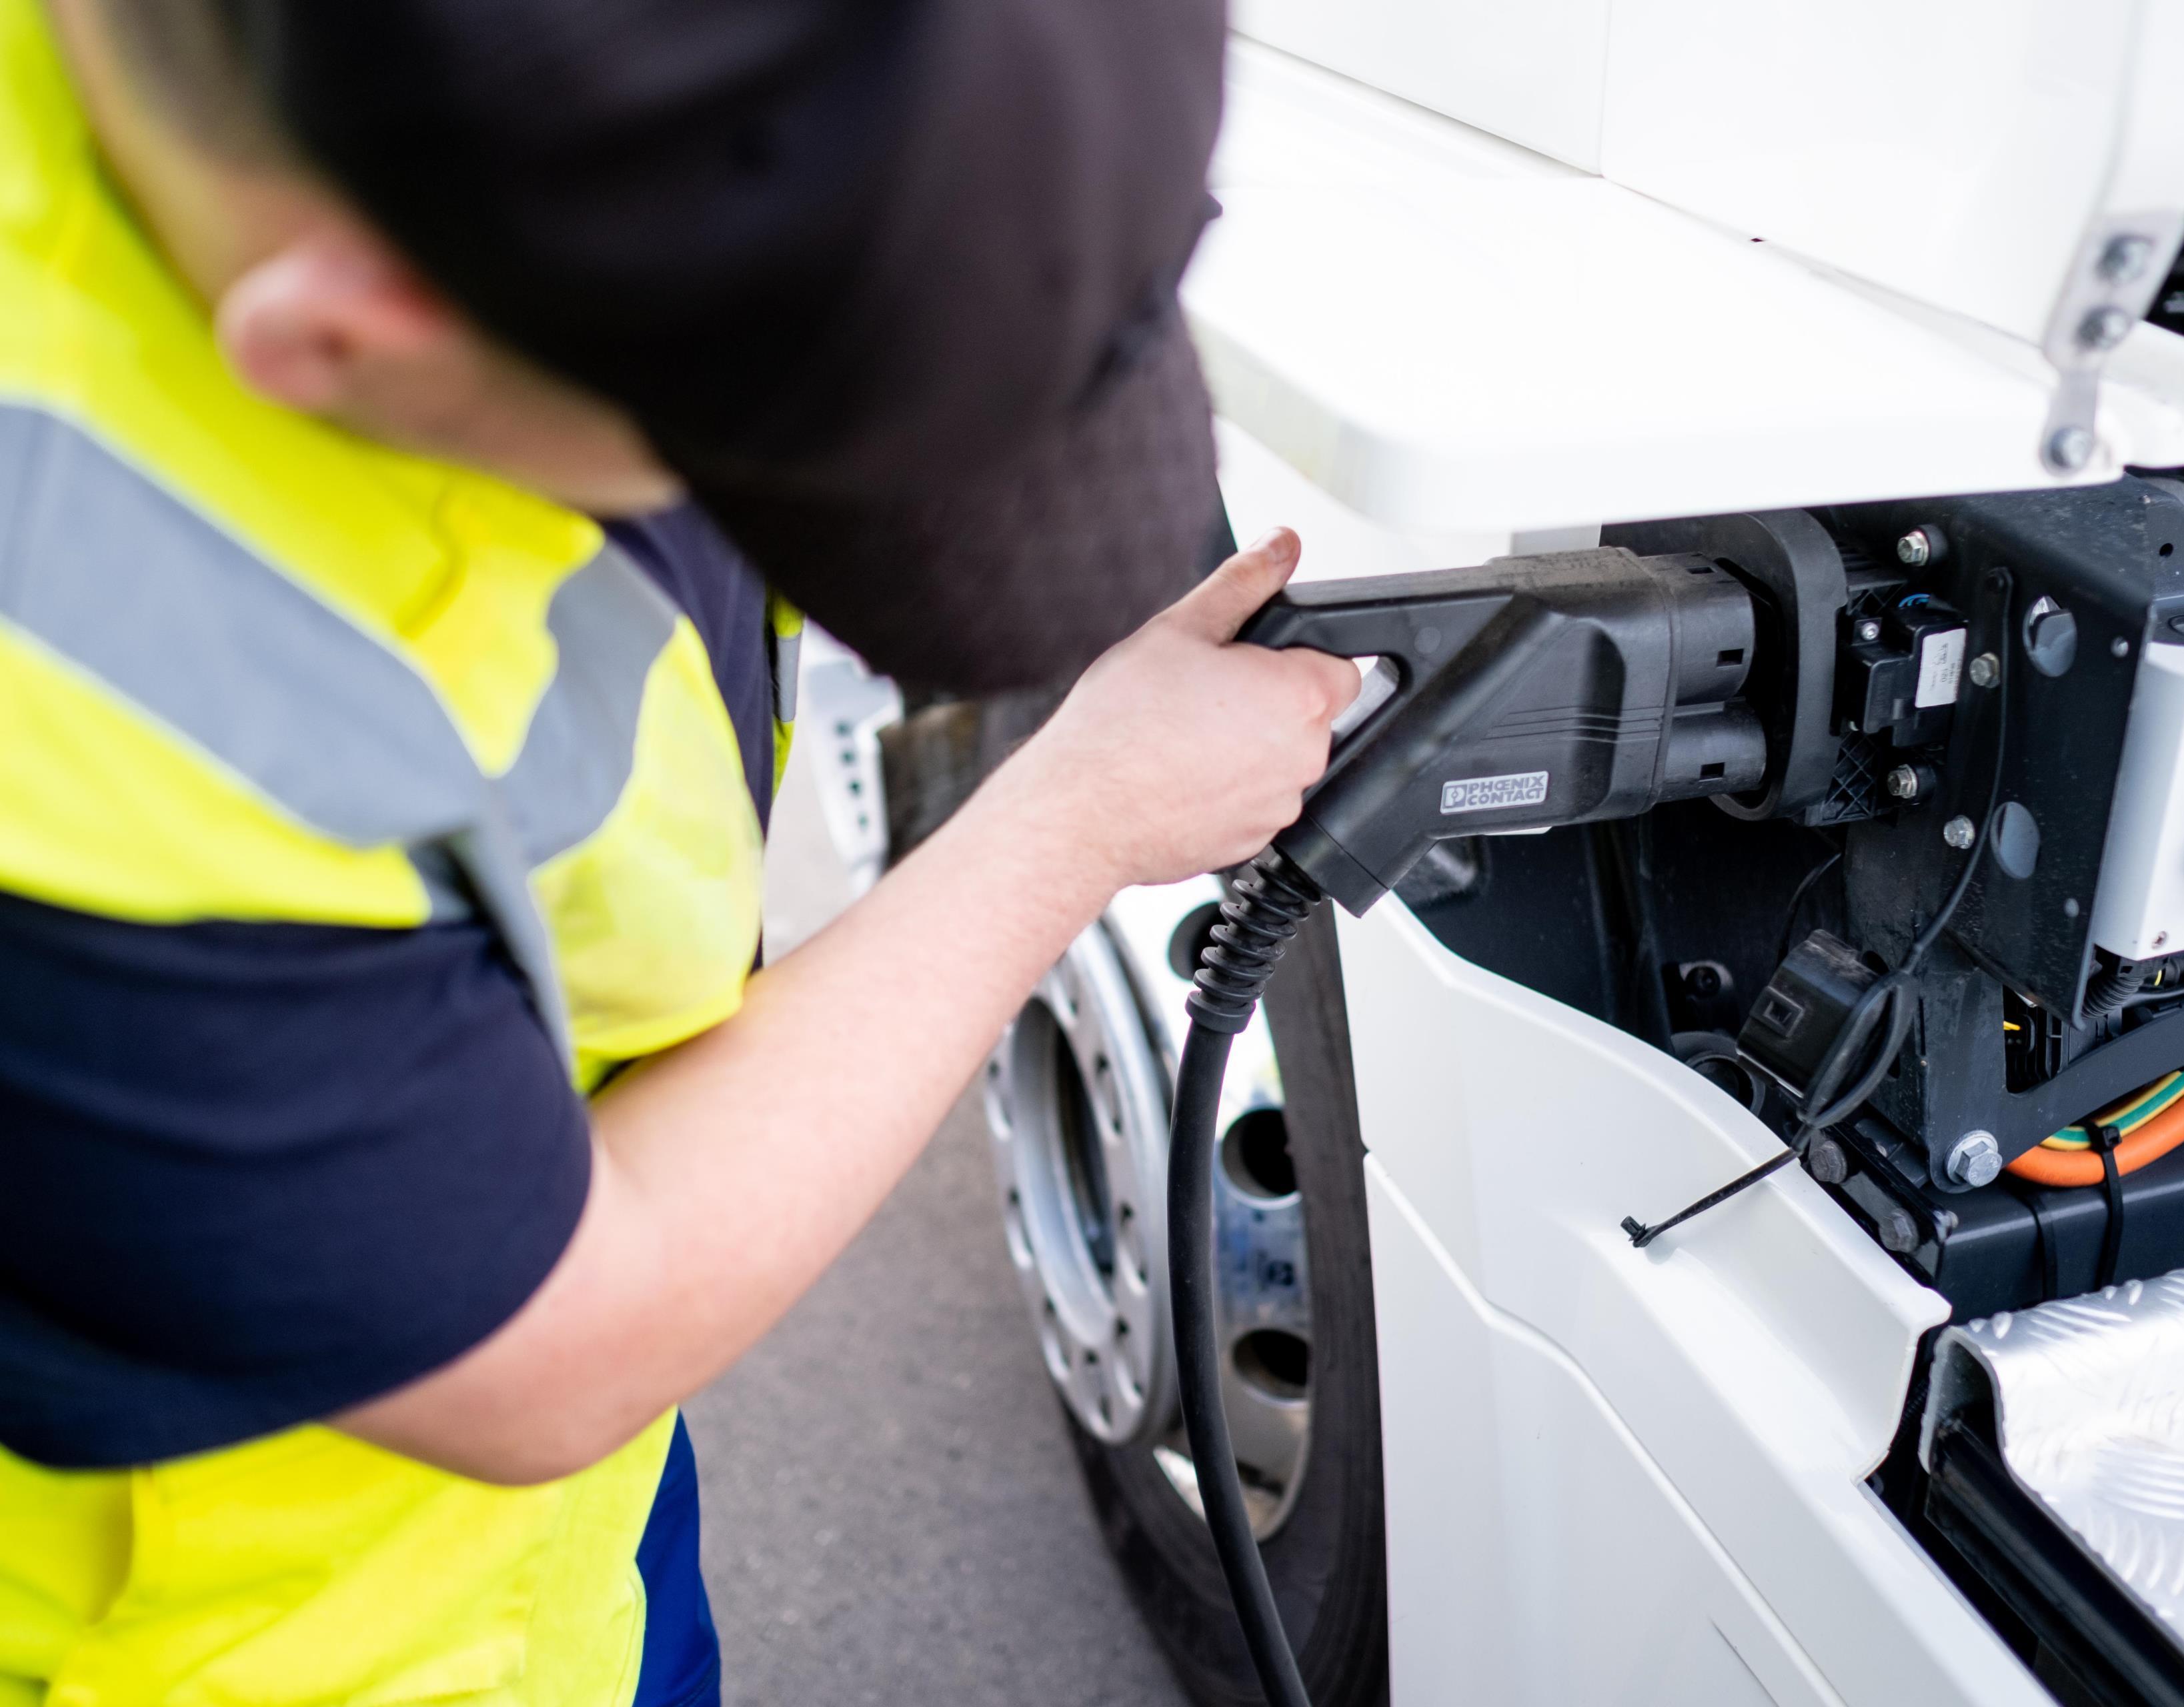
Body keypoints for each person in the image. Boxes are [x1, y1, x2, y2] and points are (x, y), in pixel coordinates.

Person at [0, 1, 1360, 1702]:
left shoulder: (489, 222)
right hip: (308, 1635)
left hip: (575, 1542)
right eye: (756, 469)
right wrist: (1075, 817)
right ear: (350, 340)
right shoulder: (82, 744)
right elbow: (556, 1337)